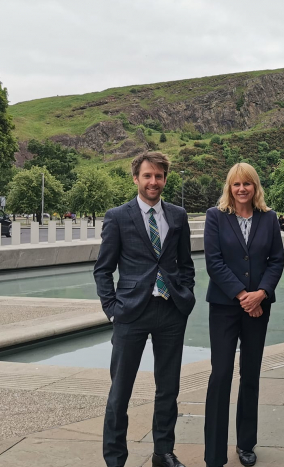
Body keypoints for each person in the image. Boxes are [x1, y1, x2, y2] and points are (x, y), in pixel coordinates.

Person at [94, 151, 196, 467]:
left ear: (165, 179)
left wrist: (186, 296)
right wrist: (112, 309)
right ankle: (115, 458)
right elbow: (103, 269)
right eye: (148, 176)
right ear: (136, 178)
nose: (154, 182)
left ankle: (163, 452)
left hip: (170, 312)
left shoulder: (177, 216)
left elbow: (186, 264)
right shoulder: (117, 216)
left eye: (159, 176)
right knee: (120, 392)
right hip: (131, 314)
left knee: (168, 389)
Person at [203, 163, 284, 467]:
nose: (241, 189)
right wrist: (243, 296)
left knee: (250, 375)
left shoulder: (268, 218)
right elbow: (214, 262)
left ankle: (246, 443)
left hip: (258, 309)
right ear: (229, 187)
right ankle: (214, 452)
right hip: (225, 308)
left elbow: (276, 261)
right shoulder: (216, 217)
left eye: (247, 184)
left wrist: (260, 293)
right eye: (236, 184)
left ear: (255, 187)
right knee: (221, 374)